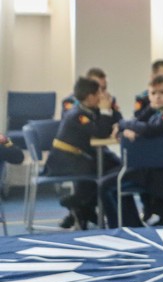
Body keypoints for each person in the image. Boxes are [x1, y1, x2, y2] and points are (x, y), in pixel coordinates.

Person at [103, 74, 163, 227]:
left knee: (104, 185)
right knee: (108, 176)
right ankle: (131, 223)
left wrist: (123, 126)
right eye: (153, 93)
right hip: (149, 168)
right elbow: (138, 121)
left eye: (162, 92)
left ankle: (120, 226)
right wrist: (129, 126)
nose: (157, 97)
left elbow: (149, 130)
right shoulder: (156, 110)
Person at [42, 76, 120, 229]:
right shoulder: (77, 114)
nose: (101, 96)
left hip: (75, 158)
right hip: (63, 161)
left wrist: (110, 109)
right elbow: (101, 132)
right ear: (90, 97)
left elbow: (112, 122)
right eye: (98, 93)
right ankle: (75, 202)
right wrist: (105, 110)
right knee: (103, 171)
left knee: (110, 166)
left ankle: (82, 209)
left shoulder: (87, 110)